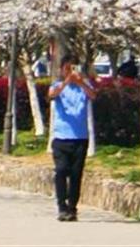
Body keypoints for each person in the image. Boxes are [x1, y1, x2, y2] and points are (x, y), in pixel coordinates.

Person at [48, 54, 97, 222]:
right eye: (67, 69)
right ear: (62, 70)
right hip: (61, 138)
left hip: (80, 138)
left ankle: (72, 208)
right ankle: (62, 206)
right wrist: (66, 82)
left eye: (73, 68)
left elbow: (93, 95)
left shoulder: (84, 86)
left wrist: (81, 82)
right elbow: (52, 94)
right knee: (61, 171)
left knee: (76, 175)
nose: (70, 72)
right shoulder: (57, 85)